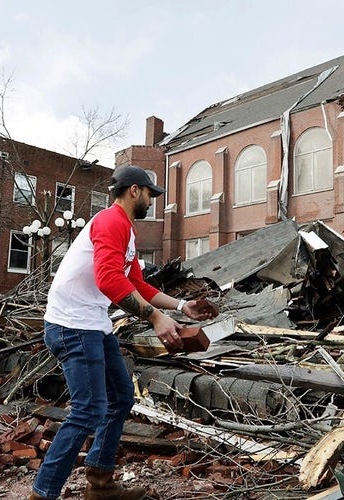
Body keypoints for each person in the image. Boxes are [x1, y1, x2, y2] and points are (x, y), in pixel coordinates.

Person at [30, 165, 215, 500]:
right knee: (88, 410)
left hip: (92, 325)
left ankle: (99, 486)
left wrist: (180, 307)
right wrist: (156, 318)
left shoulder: (125, 231)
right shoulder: (110, 221)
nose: (151, 200)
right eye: (149, 194)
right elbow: (108, 280)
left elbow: (135, 284)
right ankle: (42, 494)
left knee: (121, 397)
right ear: (134, 191)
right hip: (72, 326)